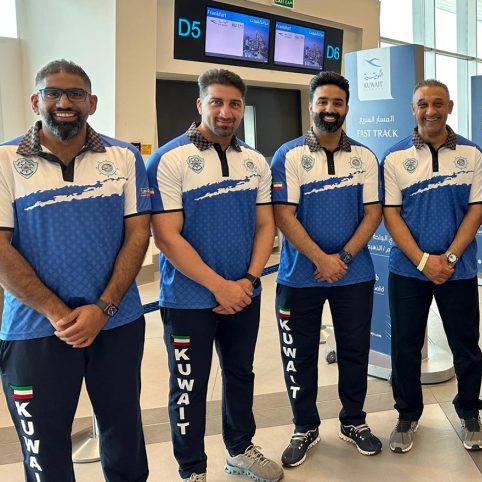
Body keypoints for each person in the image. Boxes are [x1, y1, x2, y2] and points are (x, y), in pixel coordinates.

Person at [0, 59, 150, 481]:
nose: (64, 102)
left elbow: (138, 233)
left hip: (116, 322)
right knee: (44, 450)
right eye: (53, 93)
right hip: (34, 328)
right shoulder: (5, 159)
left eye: (75, 94)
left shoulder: (124, 157)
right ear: (36, 101)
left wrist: (103, 308)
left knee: (124, 436)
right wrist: (56, 313)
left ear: (92, 103)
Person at [146, 69, 282, 482]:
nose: (226, 112)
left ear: (242, 108)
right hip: (187, 300)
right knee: (189, 385)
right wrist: (219, 287)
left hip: (244, 293)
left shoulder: (254, 160)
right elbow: (167, 237)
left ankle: (240, 450)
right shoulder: (168, 159)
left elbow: (266, 226)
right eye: (217, 102)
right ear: (200, 104)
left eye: (234, 104)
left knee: (240, 375)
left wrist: (249, 281)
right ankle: (191, 469)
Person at [270, 71, 383, 468]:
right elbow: (283, 215)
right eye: (323, 102)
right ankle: (305, 426)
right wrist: (322, 259)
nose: (330, 109)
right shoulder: (288, 155)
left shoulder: (364, 156)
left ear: (347, 107)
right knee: (298, 354)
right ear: (311, 106)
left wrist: (343, 259)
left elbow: (373, 213)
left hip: (354, 274)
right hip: (299, 276)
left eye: (337, 102)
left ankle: (353, 420)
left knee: (354, 350)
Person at [382, 79, 482, 453]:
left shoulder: (472, 153)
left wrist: (450, 258)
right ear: (413, 109)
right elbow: (391, 214)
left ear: (450, 107)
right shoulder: (394, 157)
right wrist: (424, 261)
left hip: (459, 269)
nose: (431, 111)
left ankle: (470, 412)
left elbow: (477, 209)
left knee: (466, 346)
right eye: (423, 104)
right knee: (405, 346)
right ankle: (407, 414)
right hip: (408, 270)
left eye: (438, 103)